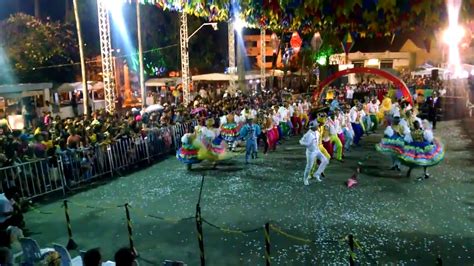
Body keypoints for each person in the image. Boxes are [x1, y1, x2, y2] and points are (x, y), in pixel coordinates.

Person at [299, 120, 329, 185]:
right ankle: (305, 179)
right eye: (316, 125)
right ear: (313, 127)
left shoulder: (317, 132)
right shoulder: (308, 134)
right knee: (309, 166)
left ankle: (317, 174)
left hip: (317, 150)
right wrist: (307, 144)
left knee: (325, 160)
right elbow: (300, 141)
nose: (318, 126)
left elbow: (318, 141)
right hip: (311, 152)